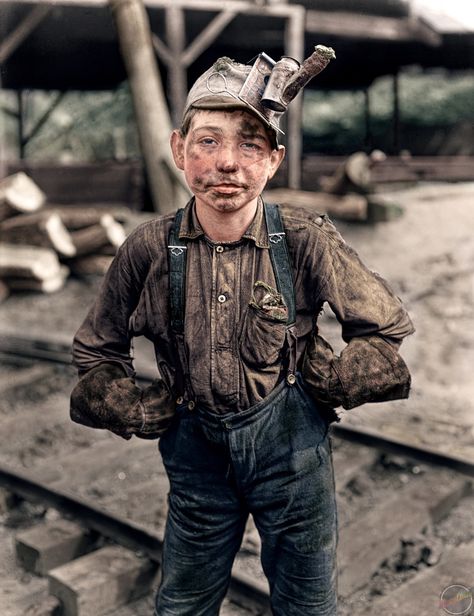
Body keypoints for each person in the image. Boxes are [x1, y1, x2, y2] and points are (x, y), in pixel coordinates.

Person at [70, 48, 414, 616]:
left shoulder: (305, 239)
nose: (228, 163)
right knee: (183, 603)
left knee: (307, 605)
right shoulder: (148, 250)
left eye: (249, 144)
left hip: (293, 458)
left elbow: (385, 330)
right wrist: (121, 401)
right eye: (208, 141)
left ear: (273, 160)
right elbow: (96, 352)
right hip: (196, 461)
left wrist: (343, 377)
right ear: (179, 149)